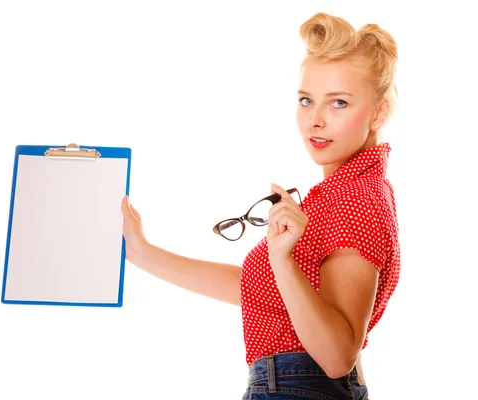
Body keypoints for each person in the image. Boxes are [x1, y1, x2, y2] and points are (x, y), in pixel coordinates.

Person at [120, 11, 400, 400]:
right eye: (306, 100)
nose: (314, 120)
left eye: (338, 103)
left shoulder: (356, 197)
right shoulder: (339, 193)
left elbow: (338, 356)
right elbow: (258, 290)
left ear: (379, 112)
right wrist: (143, 254)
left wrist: (282, 260)